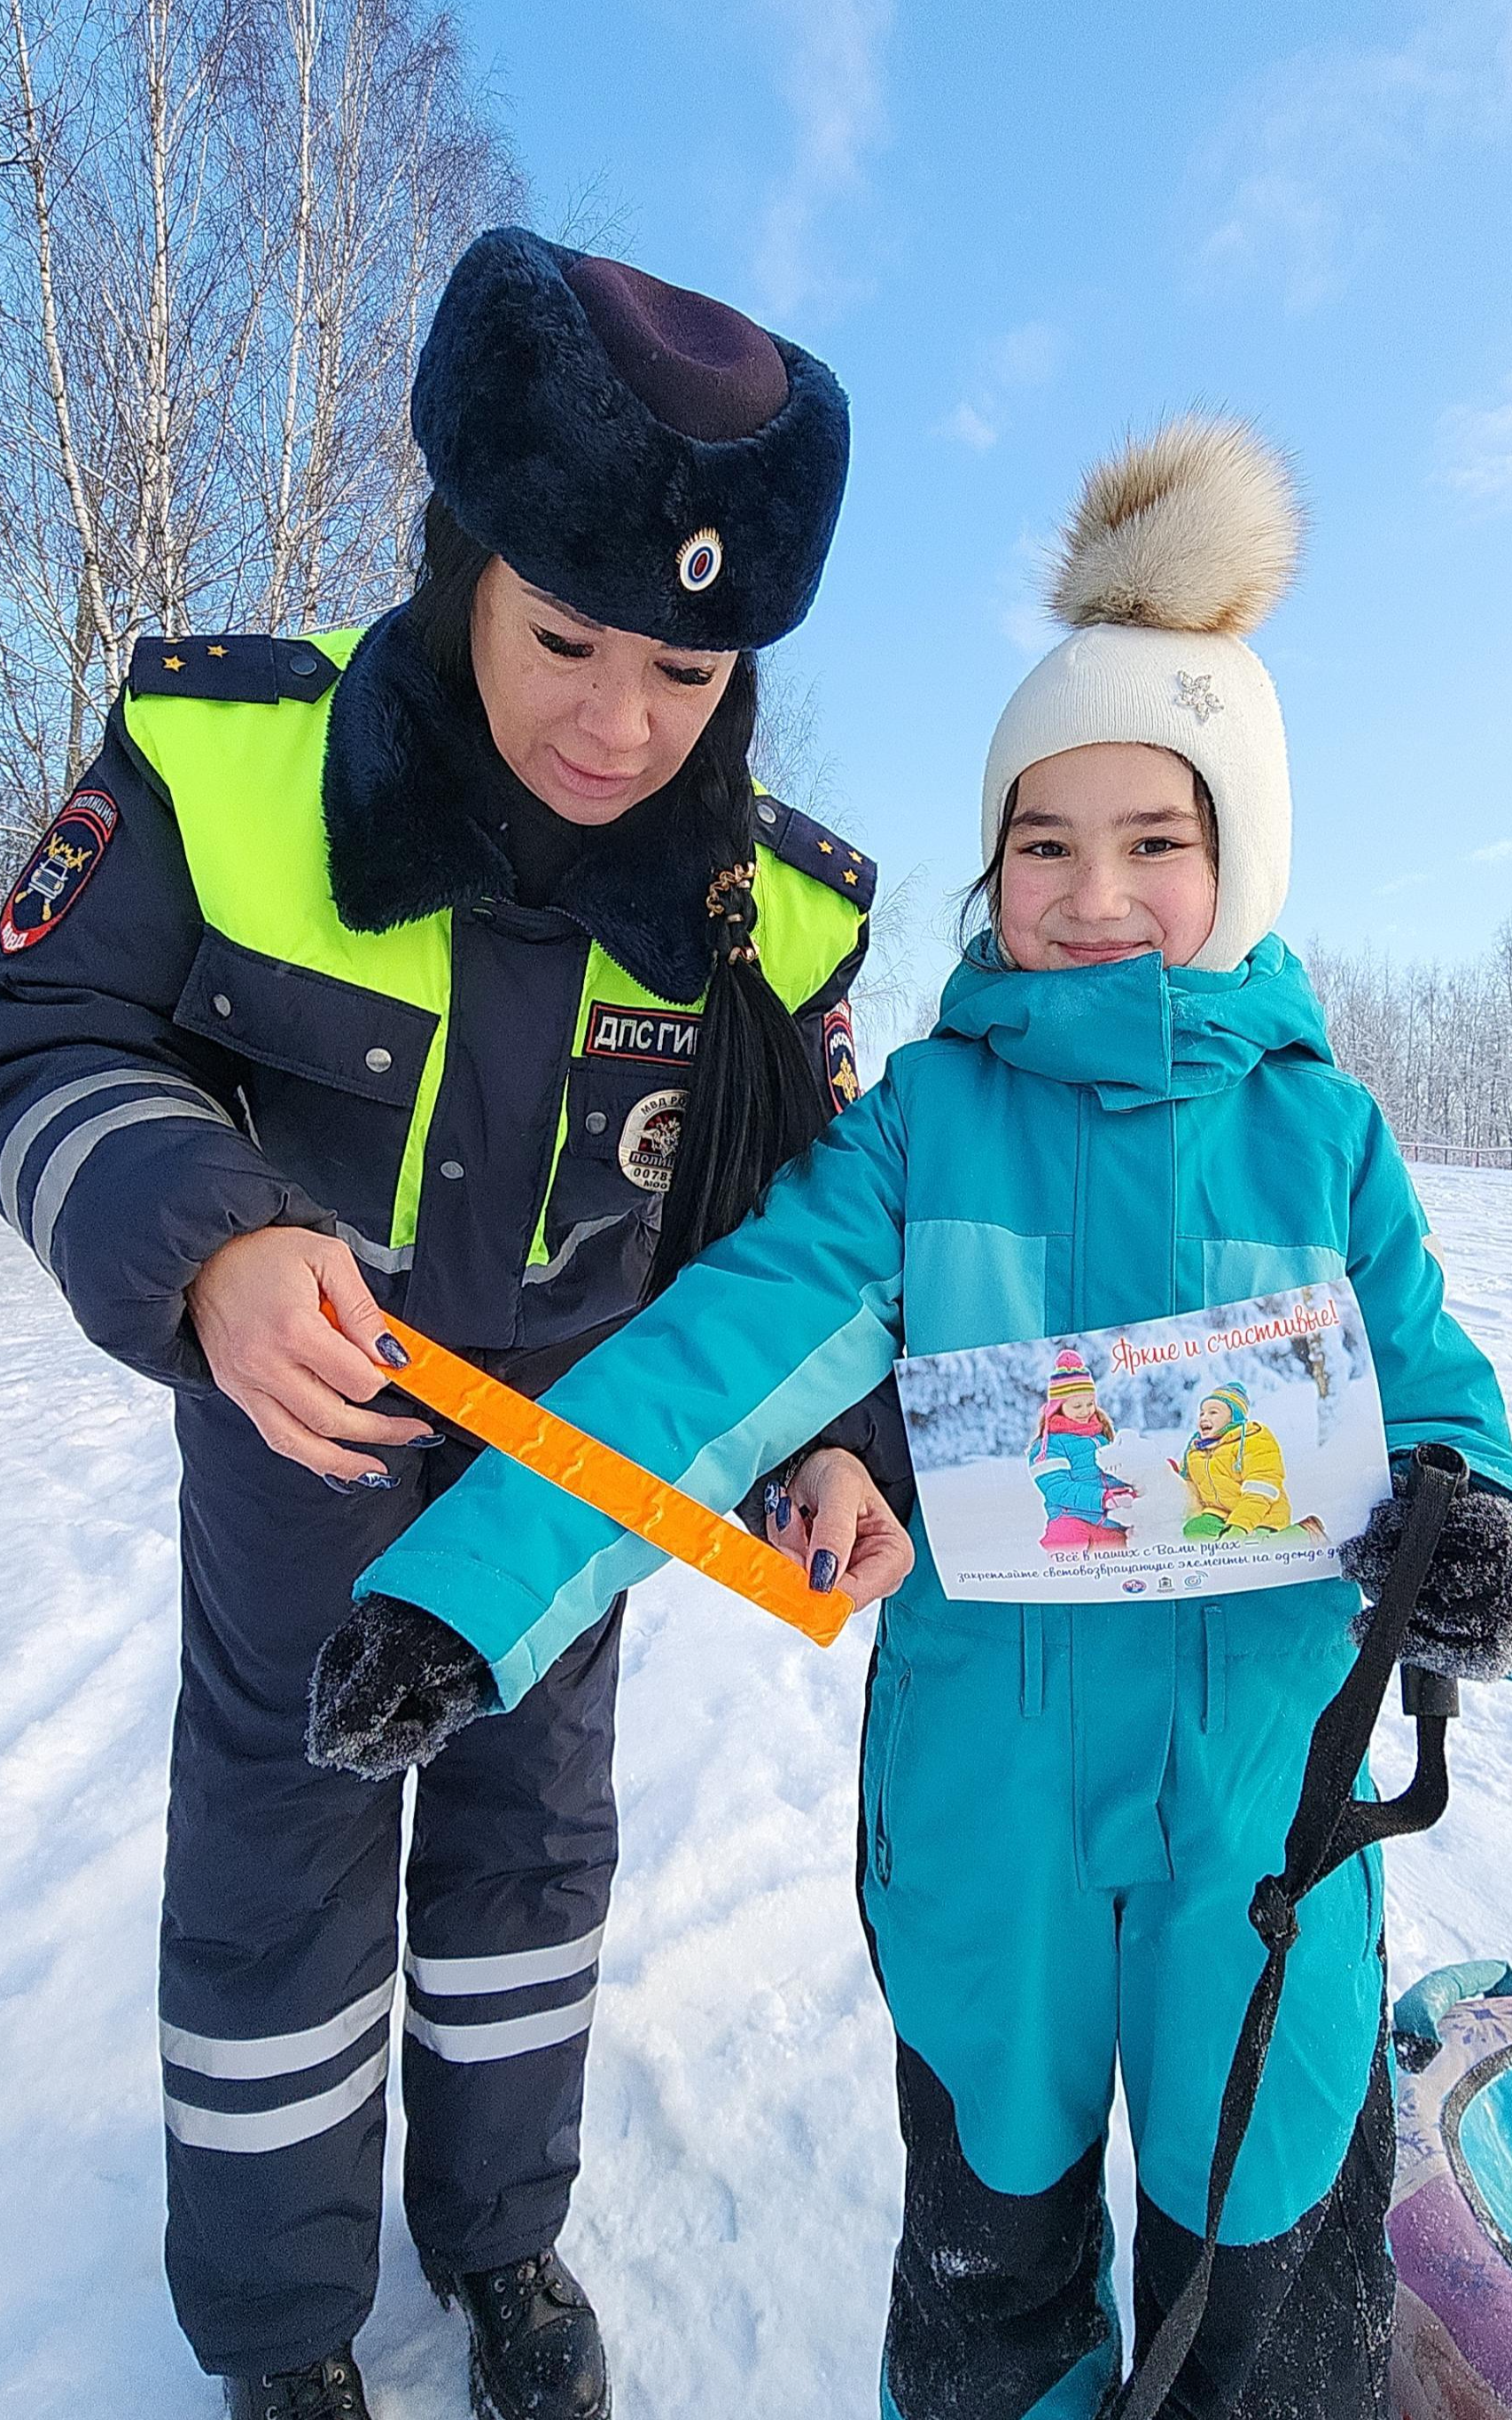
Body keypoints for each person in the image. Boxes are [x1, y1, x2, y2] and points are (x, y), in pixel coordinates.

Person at [309, 416, 1512, 2416]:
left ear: (1243, 855)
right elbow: (720, 1355)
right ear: (991, 864)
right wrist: (467, 1593)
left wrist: (1469, 1511)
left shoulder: (1325, 1137)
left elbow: (1438, 1396)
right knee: (989, 2266)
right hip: (988, 1812)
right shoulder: (921, 1128)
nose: (1093, 889)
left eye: (1156, 839)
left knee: (1268, 2278)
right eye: (1042, 842)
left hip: (1265, 1828)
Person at [0, 229, 915, 2420]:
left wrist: (844, 1437)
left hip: (578, 1473)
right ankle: (278, 2330)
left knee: (532, 1842)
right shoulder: (222, 756)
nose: (618, 725)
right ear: (461, 559)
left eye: (684, 681)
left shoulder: (771, 911)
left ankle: (503, 2245)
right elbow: (43, 1024)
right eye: (564, 637)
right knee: (278, 1858)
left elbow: (819, 1218)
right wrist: (208, 1243)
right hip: (303, 1437)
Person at [1027, 1346, 1135, 1550]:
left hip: (1112, 1523)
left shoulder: (1105, 1435)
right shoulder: (1048, 1446)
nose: (1085, 1411)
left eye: (1089, 1404)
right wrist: (1102, 1499)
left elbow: (1126, 1470)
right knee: (1067, 1545)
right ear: (1058, 1406)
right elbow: (1058, 1489)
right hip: (1072, 1521)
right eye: (1077, 1406)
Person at [1177, 1382, 1302, 1541]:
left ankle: (1305, 1533)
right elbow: (1187, 1483)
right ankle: (1223, 1553)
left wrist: (1239, 1527)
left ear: (1233, 1417)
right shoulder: (1195, 1450)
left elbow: (1261, 1491)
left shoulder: (1254, 1440)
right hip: (1221, 1515)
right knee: (1195, 1531)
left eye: (1213, 1412)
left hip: (1263, 1514)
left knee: (1258, 1545)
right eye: (1202, 1413)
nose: (1204, 1418)